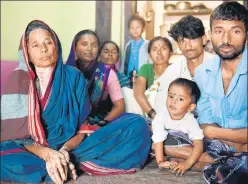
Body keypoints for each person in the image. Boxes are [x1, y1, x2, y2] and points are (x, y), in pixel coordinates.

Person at [1, 20, 151, 183]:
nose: (43, 49)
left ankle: (64, 162)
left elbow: (82, 127)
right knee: (6, 157)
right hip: (34, 149)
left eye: (47, 42)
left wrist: (65, 150)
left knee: (137, 124)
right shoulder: (18, 79)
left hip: (73, 145)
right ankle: (60, 164)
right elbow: (17, 136)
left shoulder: (74, 76)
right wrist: (49, 154)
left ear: (56, 46)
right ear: (26, 52)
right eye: (35, 45)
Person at [194, 1, 248, 159]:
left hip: (218, 143)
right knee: (164, 138)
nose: (226, 39)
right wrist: (239, 144)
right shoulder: (202, 72)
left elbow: (210, 131)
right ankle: (235, 157)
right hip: (221, 144)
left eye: (236, 31)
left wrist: (214, 133)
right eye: (219, 31)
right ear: (210, 35)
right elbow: (205, 125)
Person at [66, 30, 125, 125]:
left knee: (135, 121)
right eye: (84, 44)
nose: (89, 49)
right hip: (68, 122)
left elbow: (120, 106)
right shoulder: (65, 71)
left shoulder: (106, 72)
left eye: (94, 45)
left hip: (96, 121)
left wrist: (101, 124)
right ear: (75, 48)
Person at [152, 78, 204, 175]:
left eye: (180, 99)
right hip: (163, 139)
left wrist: (187, 163)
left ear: (190, 107)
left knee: (199, 149)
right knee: (152, 141)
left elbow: (198, 143)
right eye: (171, 96)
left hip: (182, 142)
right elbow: (158, 140)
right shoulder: (161, 116)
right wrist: (161, 161)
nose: (173, 101)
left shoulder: (191, 120)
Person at [133, 36, 173, 119]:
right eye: (154, 49)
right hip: (149, 113)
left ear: (171, 53)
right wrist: (153, 114)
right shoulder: (146, 68)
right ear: (149, 55)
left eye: (163, 49)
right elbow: (138, 93)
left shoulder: (175, 69)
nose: (159, 52)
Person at [168, 15, 215, 79]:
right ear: (178, 45)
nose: (188, 47)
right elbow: (155, 88)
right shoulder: (174, 70)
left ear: (204, 39)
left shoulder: (218, 66)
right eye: (182, 41)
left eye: (193, 39)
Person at [121, 15, 151, 85]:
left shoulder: (147, 44)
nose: (135, 30)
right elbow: (124, 62)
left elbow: (150, 62)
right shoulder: (128, 45)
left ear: (143, 29)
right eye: (132, 27)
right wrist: (122, 75)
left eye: (138, 27)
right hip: (128, 77)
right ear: (129, 30)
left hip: (142, 77)